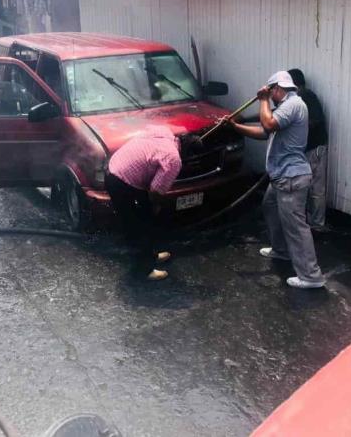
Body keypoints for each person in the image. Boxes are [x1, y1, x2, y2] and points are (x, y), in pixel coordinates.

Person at [221, 71, 325, 289]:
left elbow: (267, 124)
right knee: (269, 206)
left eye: (271, 92)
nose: (270, 96)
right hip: (280, 175)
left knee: (296, 226)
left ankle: (311, 276)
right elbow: (264, 132)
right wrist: (235, 127)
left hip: (291, 177)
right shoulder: (285, 107)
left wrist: (263, 100)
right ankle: (282, 250)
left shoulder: (294, 104)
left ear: (276, 89)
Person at [105, 125, 198, 281]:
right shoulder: (173, 159)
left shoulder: (164, 133)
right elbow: (155, 191)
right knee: (142, 224)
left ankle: (150, 255)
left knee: (139, 219)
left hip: (115, 167)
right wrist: (156, 206)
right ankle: (144, 270)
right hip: (121, 182)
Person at [288, 68, 329, 232]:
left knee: (316, 188)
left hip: (314, 148)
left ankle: (317, 224)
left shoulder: (307, 97)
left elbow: (316, 120)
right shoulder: (297, 99)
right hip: (306, 149)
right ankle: (310, 221)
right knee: (306, 187)